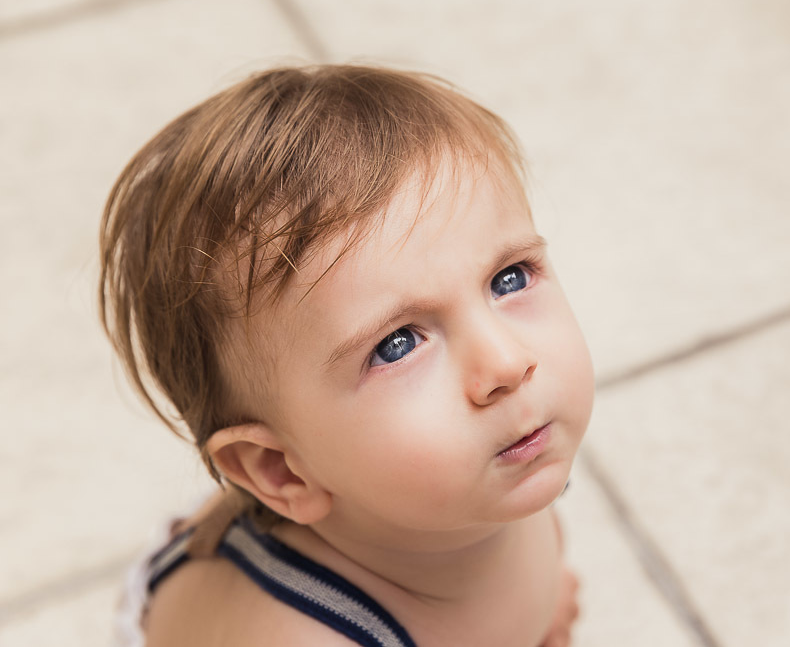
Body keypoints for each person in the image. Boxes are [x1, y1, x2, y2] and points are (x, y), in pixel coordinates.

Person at [99, 64, 593, 646]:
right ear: (282, 469)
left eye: (509, 279)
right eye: (397, 344)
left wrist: (538, 604)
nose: (508, 365)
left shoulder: (489, 463)